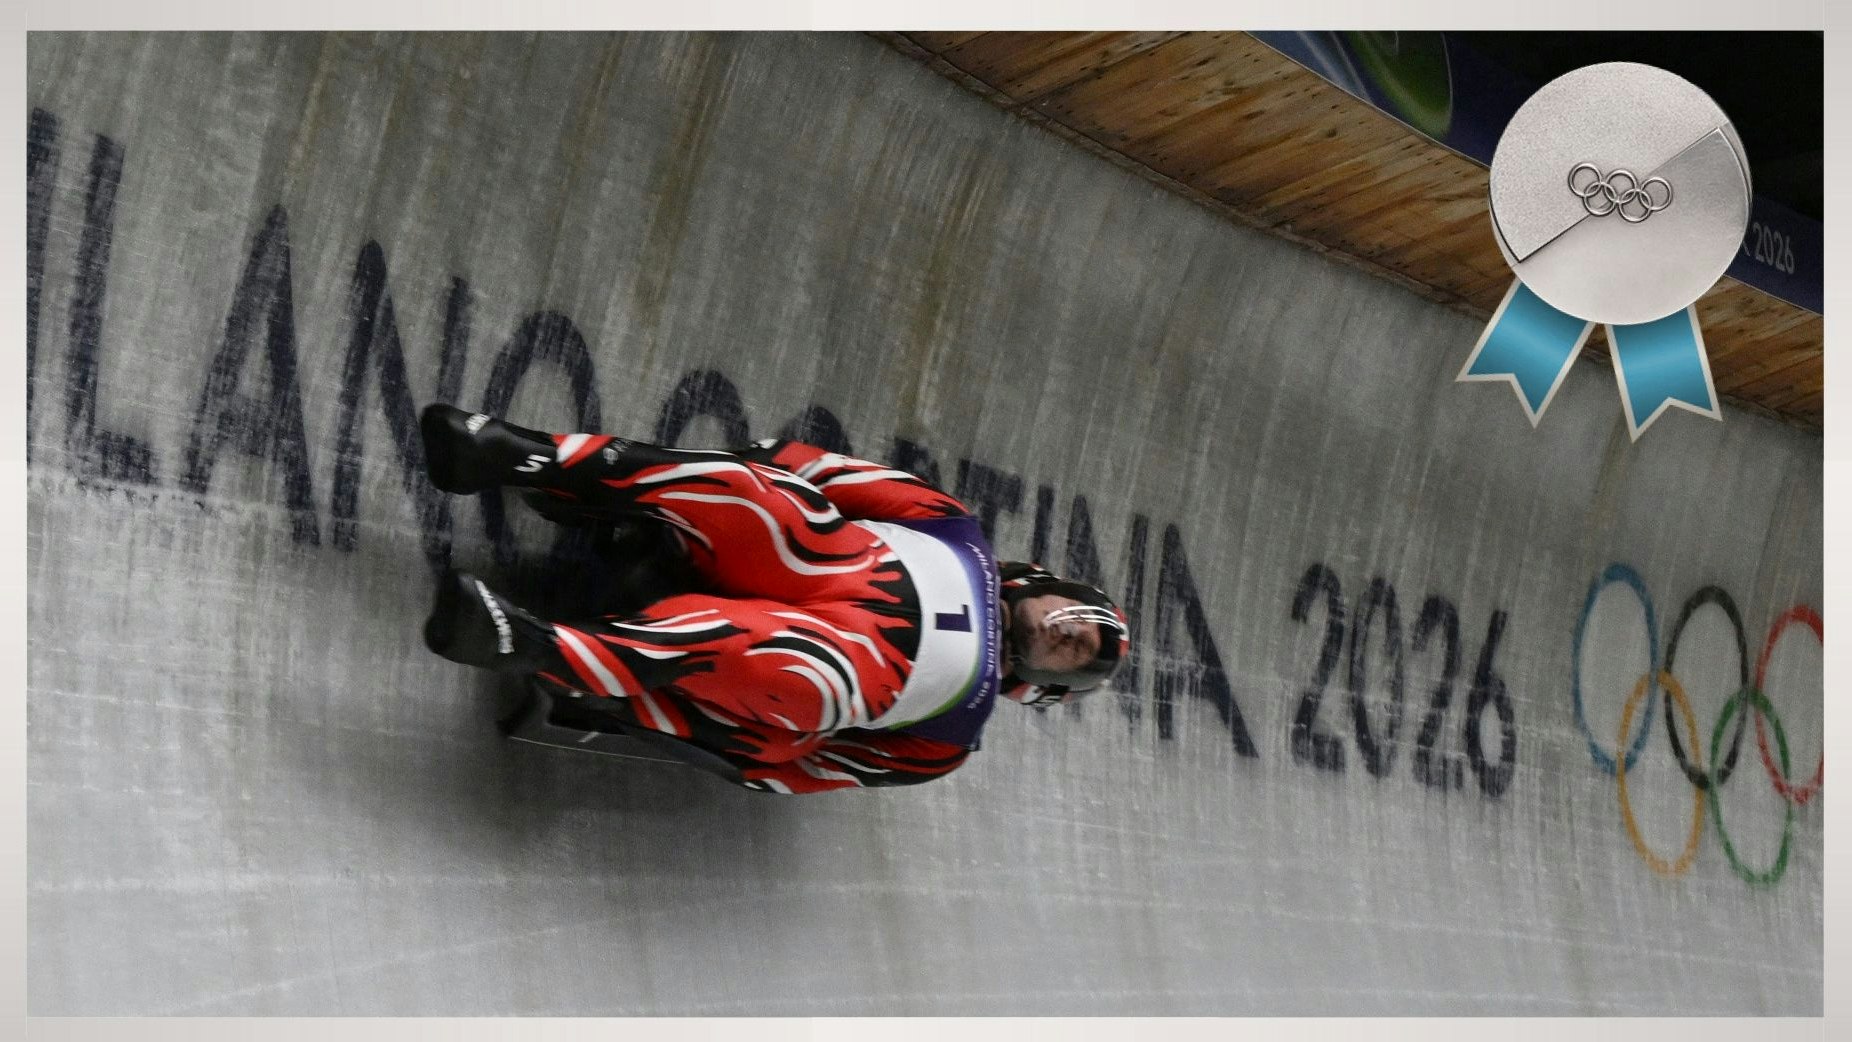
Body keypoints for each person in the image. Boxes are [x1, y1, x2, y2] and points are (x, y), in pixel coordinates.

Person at [417, 403, 1129, 794]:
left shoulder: (947, 743)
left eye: (1077, 659)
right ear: (1045, 583)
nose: (1071, 641)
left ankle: (534, 645)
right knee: (754, 493)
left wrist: (723, 745)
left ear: (1045, 686)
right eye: (1080, 626)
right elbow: (821, 472)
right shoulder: (953, 527)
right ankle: (520, 455)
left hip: (811, 672)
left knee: (799, 668)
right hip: (810, 561)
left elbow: (816, 769)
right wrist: (763, 469)